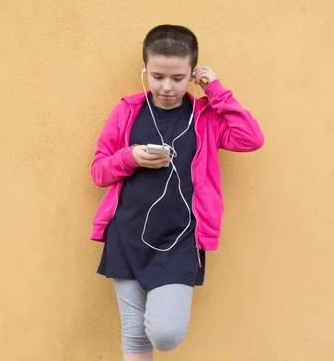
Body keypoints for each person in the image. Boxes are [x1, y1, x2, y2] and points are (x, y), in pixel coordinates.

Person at [90, 24, 264, 360]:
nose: (166, 87)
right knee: (134, 337)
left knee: (165, 333)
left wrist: (216, 90)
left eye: (178, 78)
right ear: (145, 71)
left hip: (181, 241)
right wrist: (130, 157)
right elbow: (98, 171)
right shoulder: (127, 111)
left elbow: (250, 139)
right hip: (127, 235)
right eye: (157, 76)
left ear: (192, 75)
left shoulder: (205, 117)